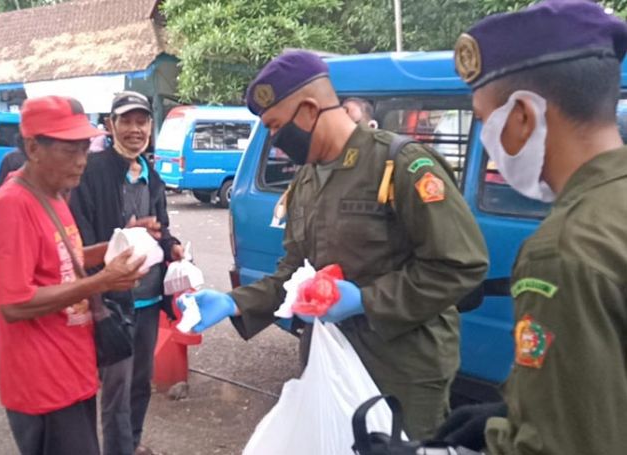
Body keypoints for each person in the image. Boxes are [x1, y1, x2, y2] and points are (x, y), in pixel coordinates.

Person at [182, 51, 489, 439]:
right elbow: (294, 272)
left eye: (276, 126)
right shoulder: (307, 179)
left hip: (402, 372)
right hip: (329, 362)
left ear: (309, 111)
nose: (275, 140)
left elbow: (460, 265)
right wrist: (235, 302)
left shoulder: (400, 165)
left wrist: (366, 299)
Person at [434, 1, 627, 454]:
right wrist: (511, 417)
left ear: (522, 116)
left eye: (484, 120)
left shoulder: (567, 247)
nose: (487, 138)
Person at [0, 95, 147, 455]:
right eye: (69, 151)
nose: (81, 162)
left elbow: (64, 260)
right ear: (33, 148)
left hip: (72, 371)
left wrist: (113, 249)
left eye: (85, 149)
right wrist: (103, 281)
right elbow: (14, 302)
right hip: (42, 383)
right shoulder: (12, 205)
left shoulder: (55, 195)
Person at [69, 91, 183, 455]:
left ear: (151, 126)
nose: (135, 129)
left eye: (142, 121)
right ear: (110, 125)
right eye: (127, 121)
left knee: (140, 381)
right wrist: (124, 234)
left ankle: (131, 443)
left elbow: (160, 228)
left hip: (148, 297)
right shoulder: (93, 171)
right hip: (112, 297)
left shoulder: (152, 173)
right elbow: (82, 240)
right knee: (116, 386)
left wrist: (173, 246)